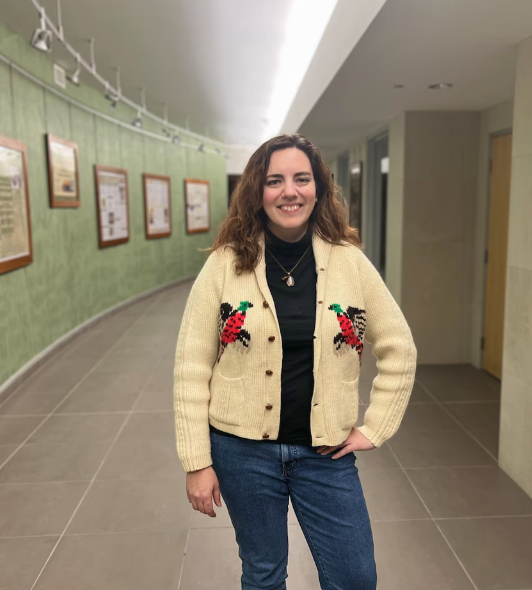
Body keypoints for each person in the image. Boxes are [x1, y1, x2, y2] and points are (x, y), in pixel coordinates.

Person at [173, 134, 417, 590]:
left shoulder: (349, 262)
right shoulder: (225, 264)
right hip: (242, 451)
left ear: (318, 188)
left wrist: (376, 427)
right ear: (257, 191)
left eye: (302, 179)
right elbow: (191, 367)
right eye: (275, 181)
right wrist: (196, 461)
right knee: (264, 574)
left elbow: (399, 346)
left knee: (355, 577)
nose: (290, 191)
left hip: (325, 452)